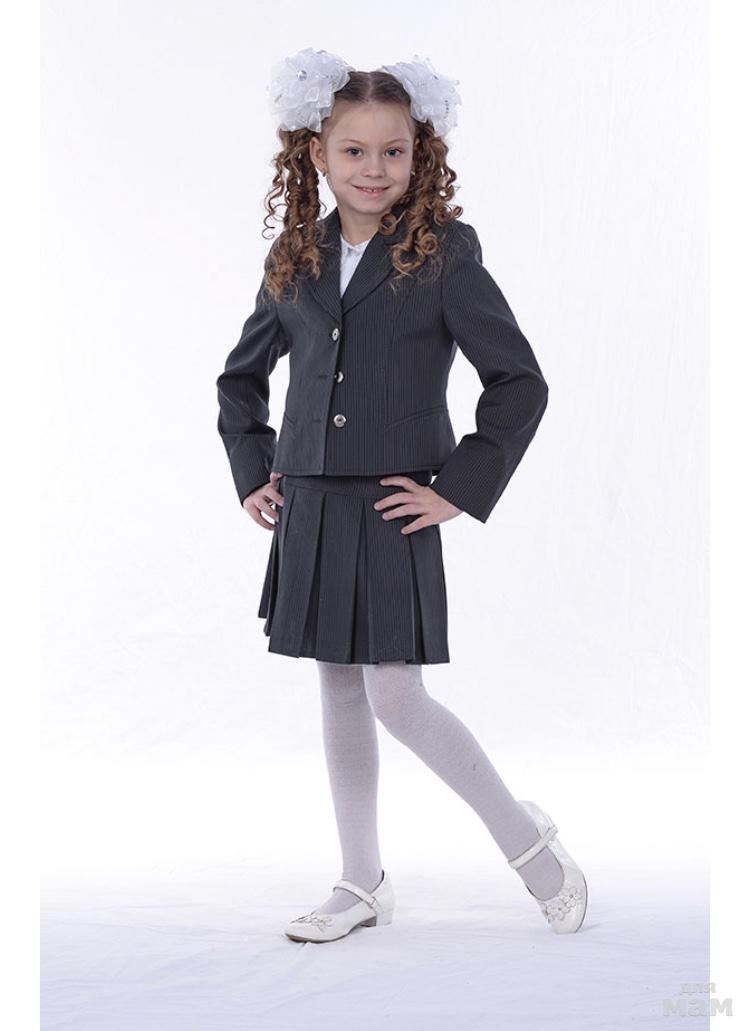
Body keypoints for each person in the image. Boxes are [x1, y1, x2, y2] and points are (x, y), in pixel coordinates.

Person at [216, 48, 587, 943]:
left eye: (393, 151)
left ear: (420, 154)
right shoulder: (295, 254)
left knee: (397, 696)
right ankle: (361, 880)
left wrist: (457, 489)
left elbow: (519, 383)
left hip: (393, 504)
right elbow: (241, 378)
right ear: (317, 153)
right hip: (310, 500)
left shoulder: (444, 253)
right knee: (339, 689)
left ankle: (529, 843)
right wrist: (255, 468)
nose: (374, 169)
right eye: (354, 151)